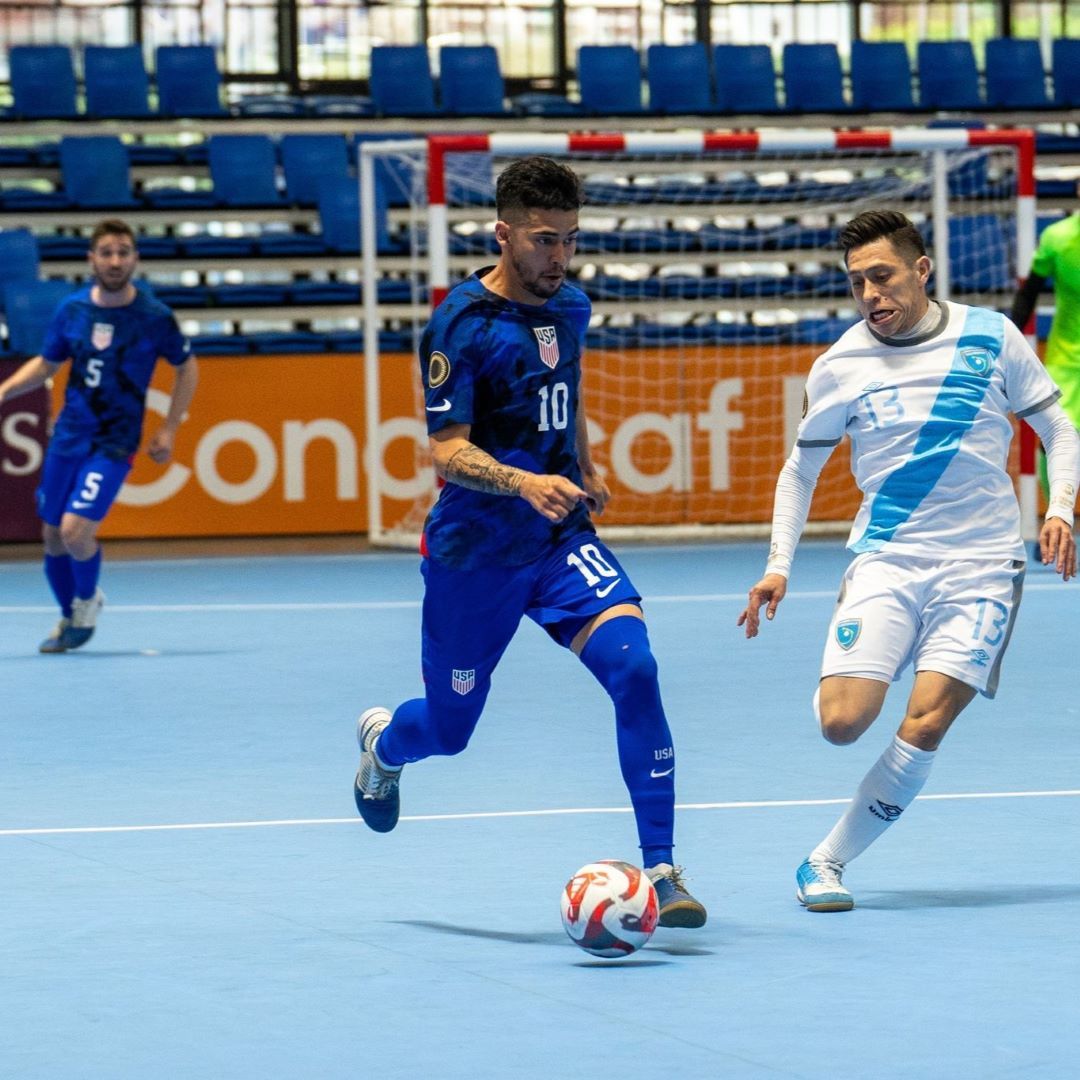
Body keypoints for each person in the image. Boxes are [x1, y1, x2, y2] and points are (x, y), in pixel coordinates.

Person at [352, 156, 706, 928]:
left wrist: (581, 467)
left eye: (571, 241)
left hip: (558, 539)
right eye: (545, 241)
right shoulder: (461, 324)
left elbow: (565, 394)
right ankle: (384, 749)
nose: (559, 258)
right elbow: (446, 451)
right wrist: (522, 482)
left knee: (636, 668)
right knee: (449, 734)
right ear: (503, 234)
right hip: (474, 552)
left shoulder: (570, 307)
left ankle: (664, 871)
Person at [738, 209, 1078, 912]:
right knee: (841, 723)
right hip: (888, 561)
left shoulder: (991, 335)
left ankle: (825, 861)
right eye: (858, 282)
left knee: (924, 721)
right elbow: (799, 471)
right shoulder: (838, 364)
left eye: (883, 276)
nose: (871, 294)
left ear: (922, 270)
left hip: (983, 567)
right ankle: (862, 654)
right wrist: (779, 566)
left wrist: (1060, 509)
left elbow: (1058, 427)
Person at [0, 218, 197, 653]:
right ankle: (71, 616)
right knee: (51, 535)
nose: (114, 260)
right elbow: (48, 364)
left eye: (123, 252)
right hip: (69, 436)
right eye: (106, 252)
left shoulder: (153, 317)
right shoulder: (73, 310)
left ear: (135, 259)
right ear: (91, 259)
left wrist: (169, 427)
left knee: (74, 532)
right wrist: (6, 390)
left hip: (114, 443)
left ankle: (87, 601)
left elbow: (187, 369)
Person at [1011, 211, 1080, 493]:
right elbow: (1028, 293)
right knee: (1054, 436)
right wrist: (1007, 339)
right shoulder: (1057, 237)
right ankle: (1058, 519)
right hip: (1065, 358)